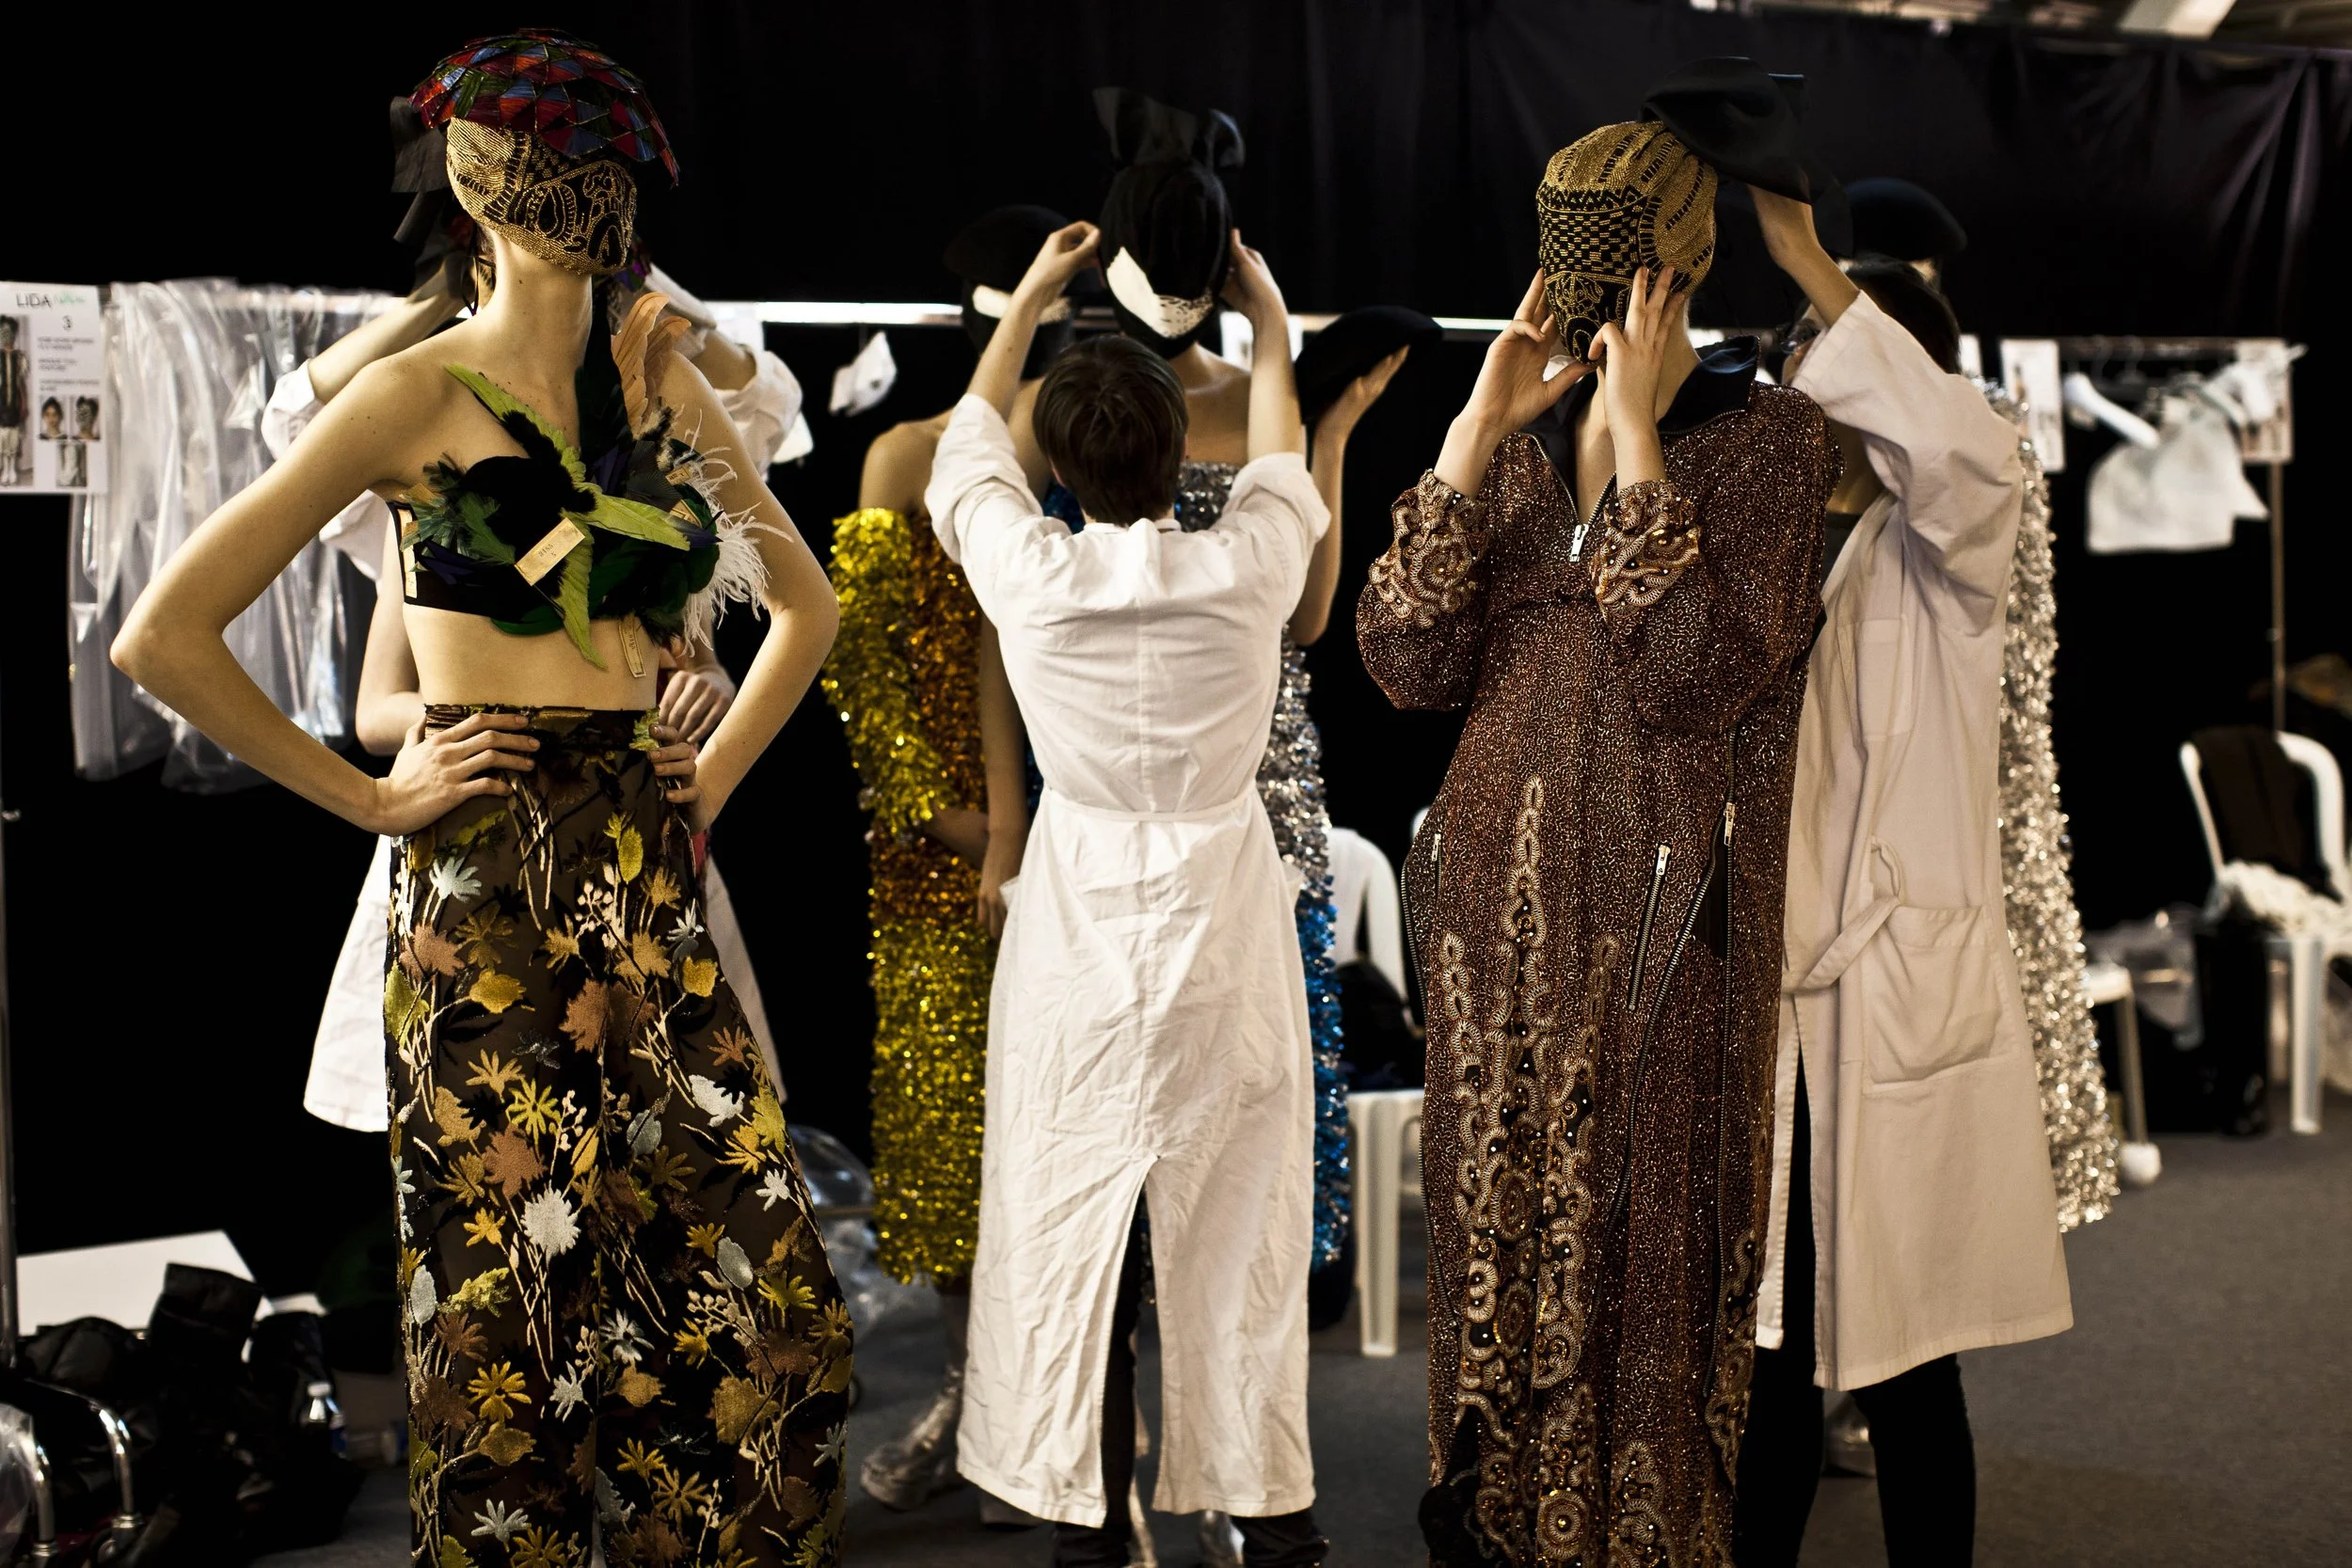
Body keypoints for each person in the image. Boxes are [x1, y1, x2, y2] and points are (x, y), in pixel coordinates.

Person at [111, 31, 852, 1564]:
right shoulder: (409, 396)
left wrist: (702, 776)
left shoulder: (661, 383)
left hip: (647, 881)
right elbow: (162, 636)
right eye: (566, 184)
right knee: (512, 1329)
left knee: (751, 1302)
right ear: (502, 199)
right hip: (485, 891)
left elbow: (809, 609)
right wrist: (376, 798)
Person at [1357, 113, 1836, 1564]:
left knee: (1641, 1238)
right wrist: (1469, 434)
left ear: (1676, 268)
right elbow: (1402, 657)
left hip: (1659, 916)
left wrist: (1634, 437)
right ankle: (1498, 1520)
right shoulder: (1510, 443)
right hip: (1490, 914)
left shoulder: (1773, 441)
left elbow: (1692, 669)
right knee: (1500, 1223)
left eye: (1609, 255)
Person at [929, 218, 1331, 1568]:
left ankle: (1086, 1540)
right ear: (1178, 459)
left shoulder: (1028, 580)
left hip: (1082, 921)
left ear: (1062, 462)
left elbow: (963, 453)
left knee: (1069, 1230)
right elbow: (1282, 458)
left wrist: (1031, 299)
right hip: (1223, 915)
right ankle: (1278, 1530)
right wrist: (1269, 323)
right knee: (1241, 1234)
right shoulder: (1247, 570)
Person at [277, 233, 805, 1133]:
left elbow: (766, 404)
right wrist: (437, 751)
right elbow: (376, 706)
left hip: (637, 844)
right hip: (481, 834)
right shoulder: (431, 485)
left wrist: (706, 696)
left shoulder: (648, 472)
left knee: (667, 1159)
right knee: (505, 1162)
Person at [1732, 189, 2073, 1568]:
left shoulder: (1954, 548)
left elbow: (1968, 454)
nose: (1805, 397)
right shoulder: (1762, 541)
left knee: (1909, 1359)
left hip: (1889, 998)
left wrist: (1810, 256)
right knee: (1761, 1366)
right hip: (1770, 999)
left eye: (1834, 358)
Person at [1071, 87, 1410, 1316]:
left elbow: (1310, 617)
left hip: (1254, 769)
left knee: (1255, 1057)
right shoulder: (1075, 402)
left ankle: (1240, 1289)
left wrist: (1325, 436)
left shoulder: (1236, 397)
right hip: (1120, 777)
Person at [820, 204, 1054, 1522]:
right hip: (932, 864)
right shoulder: (901, 457)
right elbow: (867, 675)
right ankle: (974, 1389)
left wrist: (1035, 831)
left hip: (1084, 844)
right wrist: (957, 826)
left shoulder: (1088, 444)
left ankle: (1064, 1405)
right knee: (951, 1150)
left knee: (1064, 1145)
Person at [0, 317, 25, 485]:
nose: (6, 334)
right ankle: (5, 469)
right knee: (3, 436)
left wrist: (25, 403)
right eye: (3, 331)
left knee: (14, 436)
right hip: (1, 401)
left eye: (9, 331)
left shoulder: (20, 357)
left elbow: (22, 383)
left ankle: (12, 469)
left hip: (14, 401)